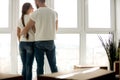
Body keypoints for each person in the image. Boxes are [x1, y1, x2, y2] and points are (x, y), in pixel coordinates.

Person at [20, 0, 58, 77]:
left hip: (39, 42)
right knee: (53, 66)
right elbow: (56, 28)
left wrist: (21, 33)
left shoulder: (35, 13)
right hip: (50, 41)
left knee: (40, 67)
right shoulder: (54, 13)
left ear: (37, 1)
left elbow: (27, 28)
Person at [17, 2, 35, 80]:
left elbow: (17, 33)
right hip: (30, 43)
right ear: (28, 9)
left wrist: (21, 41)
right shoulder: (32, 18)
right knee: (29, 65)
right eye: (32, 7)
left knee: (24, 65)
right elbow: (35, 31)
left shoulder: (19, 19)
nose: (33, 9)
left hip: (22, 43)